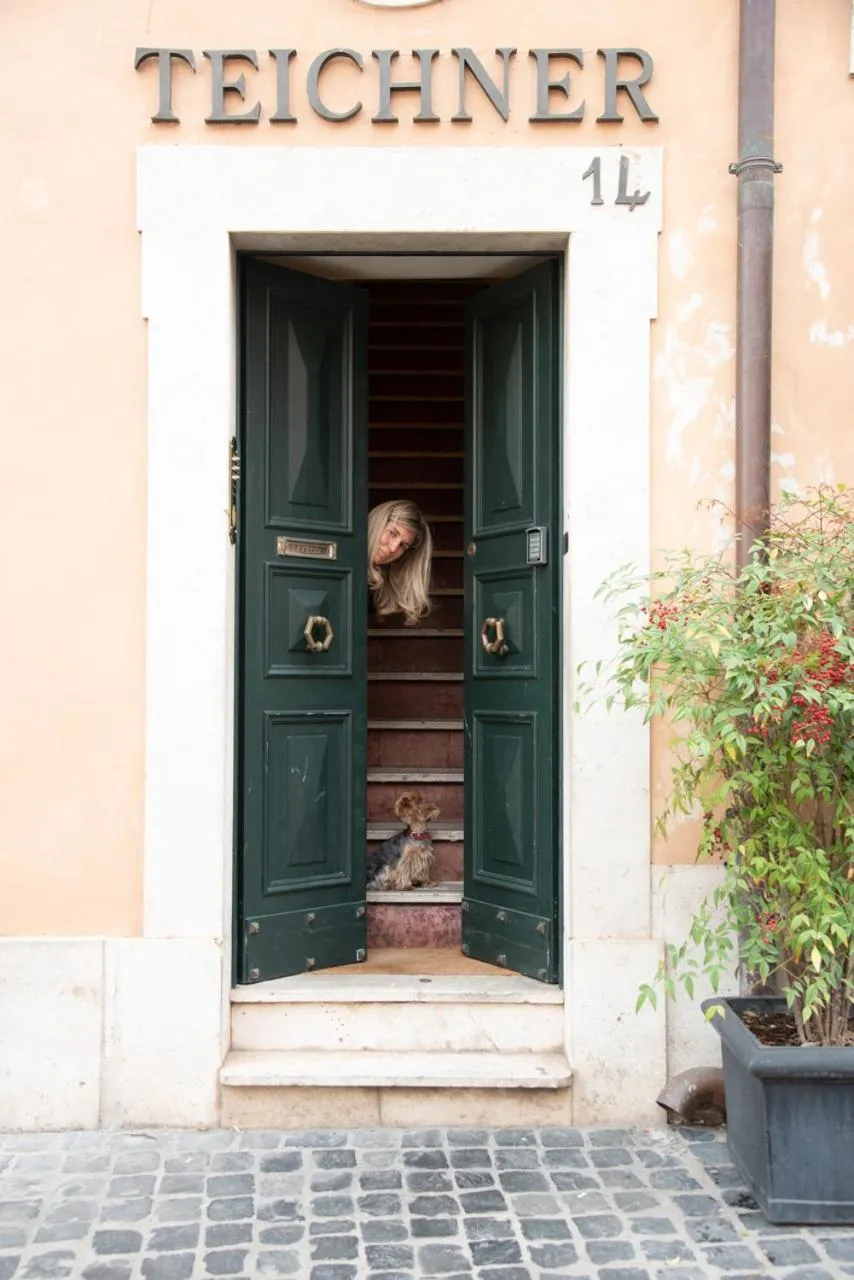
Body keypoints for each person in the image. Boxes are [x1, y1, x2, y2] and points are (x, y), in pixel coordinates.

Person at [368, 499, 432, 623]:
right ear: (377, 522)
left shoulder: (376, 588)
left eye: (403, 545)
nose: (393, 548)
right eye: (392, 533)